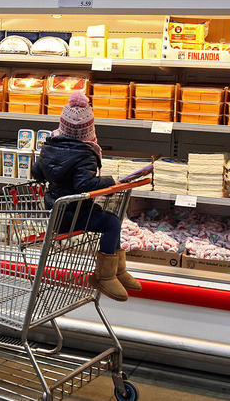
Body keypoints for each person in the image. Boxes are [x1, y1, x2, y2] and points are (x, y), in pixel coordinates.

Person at [30, 91, 141, 302]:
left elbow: (37, 172)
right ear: (89, 130)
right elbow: (85, 184)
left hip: (57, 211)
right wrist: (110, 181)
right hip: (73, 214)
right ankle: (105, 275)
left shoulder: (49, 145)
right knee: (112, 223)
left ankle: (117, 270)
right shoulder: (85, 153)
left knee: (112, 220)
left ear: (62, 125)